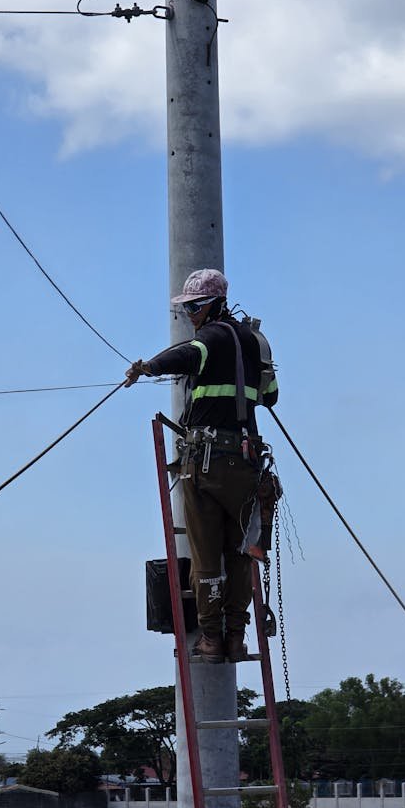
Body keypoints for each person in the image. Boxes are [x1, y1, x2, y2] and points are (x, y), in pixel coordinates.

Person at [125, 268, 279, 663]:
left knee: (207, 556)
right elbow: (272, 396)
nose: (190, 314)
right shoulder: (256, 342)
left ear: (213, 303)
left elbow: (185, 356)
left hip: (206, 463)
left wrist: (147, 368)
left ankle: (211, 638)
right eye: (186, 308)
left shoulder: (208, 338)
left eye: (194, 306)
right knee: (241, 553)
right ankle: (236, 638)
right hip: (246, 464)